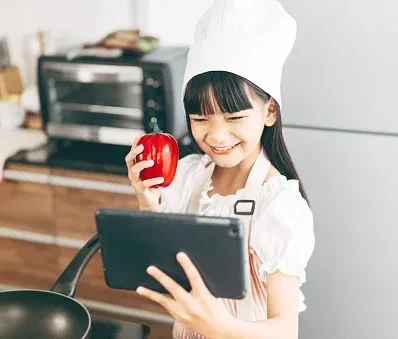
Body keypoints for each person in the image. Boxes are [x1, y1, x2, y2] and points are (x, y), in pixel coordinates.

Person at [125, 0, 315, 338]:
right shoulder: (188, 176)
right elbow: (164, 269)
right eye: (200, 119)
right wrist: (148, 201)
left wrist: (216, 327)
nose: (215, 135)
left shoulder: (279, 207)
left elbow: (285, 330)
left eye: (234, 117)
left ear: (269, 111)